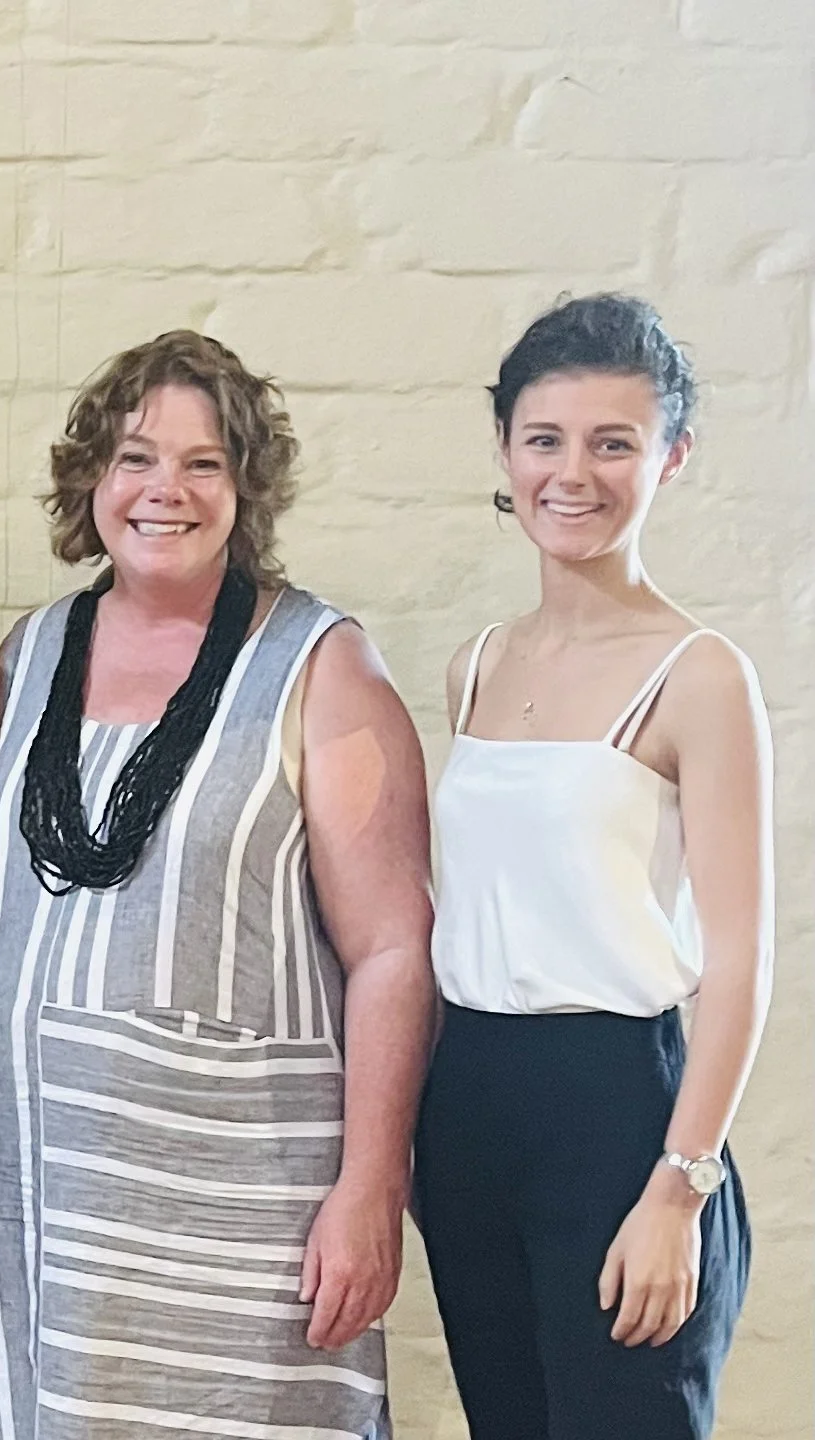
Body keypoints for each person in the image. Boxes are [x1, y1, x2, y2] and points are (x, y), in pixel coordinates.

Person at [0, 331, 435, 1437]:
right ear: (89, 479)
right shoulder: (28, 657)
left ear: (244, 488)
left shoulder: (319, 666)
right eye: (133, 457)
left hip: (239, 1210)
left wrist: (370, 1189)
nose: (163, 488)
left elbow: (393, 949)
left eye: (202, 463)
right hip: (40, 1202)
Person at [416, 294, 769, 1439]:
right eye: (545, 440)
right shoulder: (473, 666)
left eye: (612, 442)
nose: (573, 474)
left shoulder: (698, 674)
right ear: (507, 451)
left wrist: (680, 1185)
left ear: (669, 457)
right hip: (465, 1106)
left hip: (617, 1116)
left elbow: (738, 960)